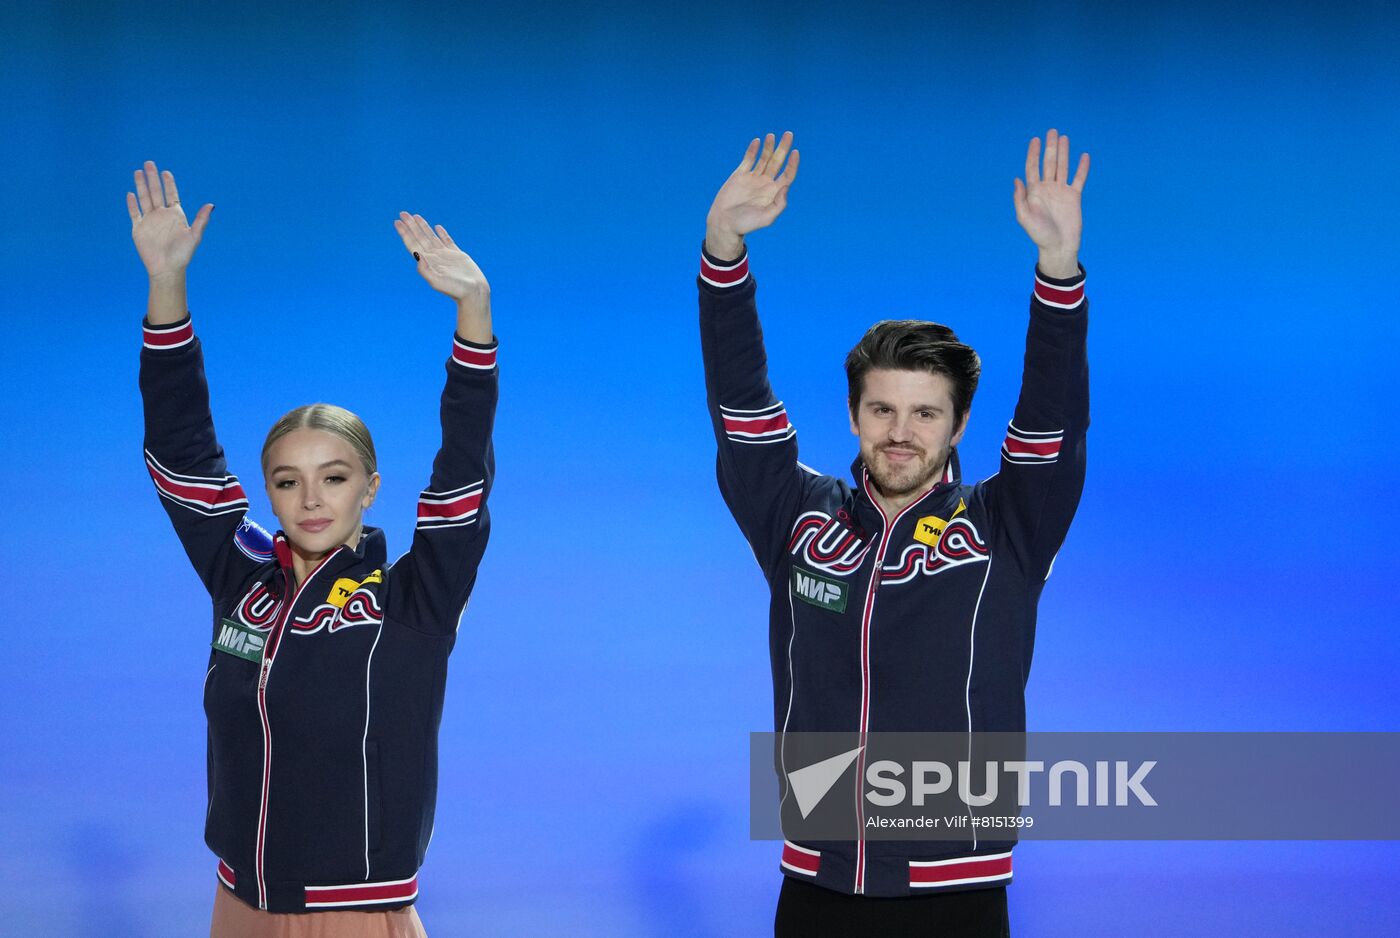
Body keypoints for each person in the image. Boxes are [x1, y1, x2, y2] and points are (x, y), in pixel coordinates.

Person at [698, 130, 1090, 936]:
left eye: (924, 413)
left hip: (960, 891)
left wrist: (1057, 275)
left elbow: (1053, 421)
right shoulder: (797, 519)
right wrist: (723, 250)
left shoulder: (1008, 526)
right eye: (882, 409)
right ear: (853, 415)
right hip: (815, 887)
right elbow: (740, 410)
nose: (901, 432)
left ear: (959, 425)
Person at [129, 161, 498, 937]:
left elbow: (462, 480)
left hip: (355, 916)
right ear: (267, 492)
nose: (310, 499)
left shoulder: (413, 599)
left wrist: (473, 315)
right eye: (287, 481)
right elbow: (181, 457)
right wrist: (167, 284)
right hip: (237, 905)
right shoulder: (244, 579)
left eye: (334, 477)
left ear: (370, 488)